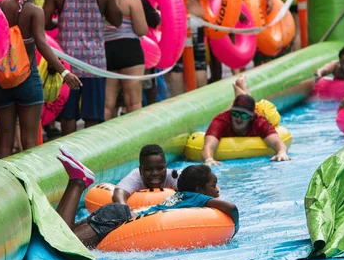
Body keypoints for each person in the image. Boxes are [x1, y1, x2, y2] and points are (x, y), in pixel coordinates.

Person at [56, 147, 239, 248]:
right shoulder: (196, 199)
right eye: (213, 186)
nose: (217, 190)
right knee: (63, 244)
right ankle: (77, 183)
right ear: (199, 188)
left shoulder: (182, 193)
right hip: (119, 216)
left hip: (118, 215)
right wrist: (234, 228)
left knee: (65, 232)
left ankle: (77, 181)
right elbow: (231, 208)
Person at [0, 0, 82, 158]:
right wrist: (64, 72)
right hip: (27, 80)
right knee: (30, 143)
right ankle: (30, 185)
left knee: (4, 143)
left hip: (1, 81)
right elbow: (42, 44)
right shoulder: (34, 11)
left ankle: (4, 185)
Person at [44, 0, 122, 135]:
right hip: (94, 61)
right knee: (93, 115)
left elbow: (44, 23)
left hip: (67, 63)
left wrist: (60, 22)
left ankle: (68, 151)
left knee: (68, 115)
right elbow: (117, 20)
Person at [203, 75, 290, 165]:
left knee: (270, 115)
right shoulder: (222, 120)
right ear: (231, 112)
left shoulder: (259, 121)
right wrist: (209, 159)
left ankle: (241, 88)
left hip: (261, 111)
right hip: (236, 111)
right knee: (243, 105)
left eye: (244, 116)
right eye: (235, 114)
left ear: (252, 117)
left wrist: (281, 152)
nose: (239, 118)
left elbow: (277, 142)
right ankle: (239, 91)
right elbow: (209, 145)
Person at [104, 0, 148, 120]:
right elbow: (141, 30)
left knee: (107, 104)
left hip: (106, 49)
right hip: (130, 50)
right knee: (134, 102)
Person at [112, 144, 179, 204]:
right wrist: (125, 211)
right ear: (140, 170)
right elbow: (119, 192)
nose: (155, 173)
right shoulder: (135, 178)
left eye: (160, 168)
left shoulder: (172, 176)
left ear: (166, 167)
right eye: (149, 169)